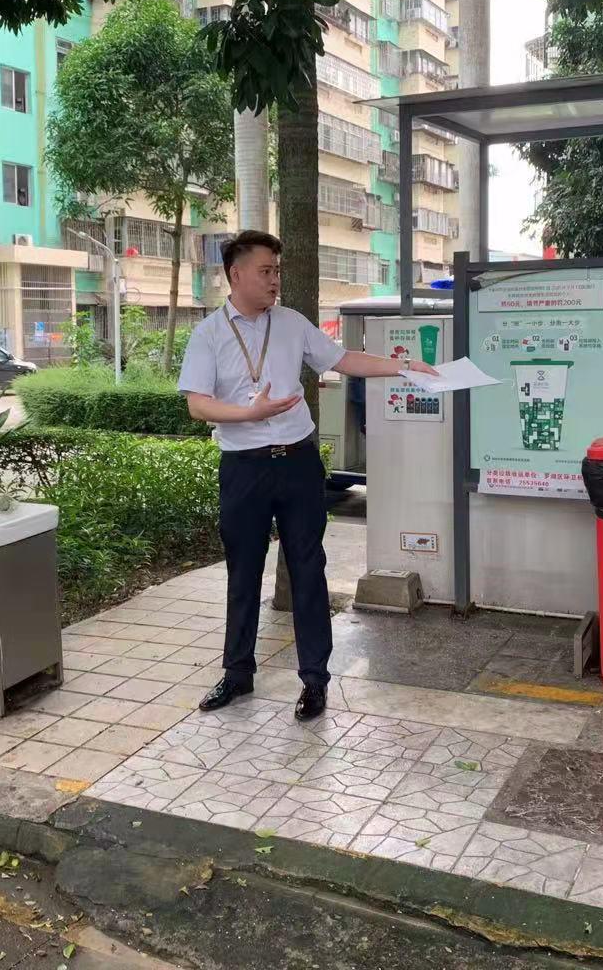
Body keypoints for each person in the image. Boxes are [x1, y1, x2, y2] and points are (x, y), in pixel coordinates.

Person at [178, 231, 435, 721]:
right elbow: (197, 404)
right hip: (244, 468)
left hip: (297, 463)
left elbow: (343, 359)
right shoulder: (208, 334)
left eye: (277, 270)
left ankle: (315, 680)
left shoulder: (292, 323)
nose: (275, 280)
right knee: (243, 572)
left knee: (309, 570)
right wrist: (248, 414)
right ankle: (237, 673)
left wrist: (404, 367)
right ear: (236, 274)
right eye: (266, 271)